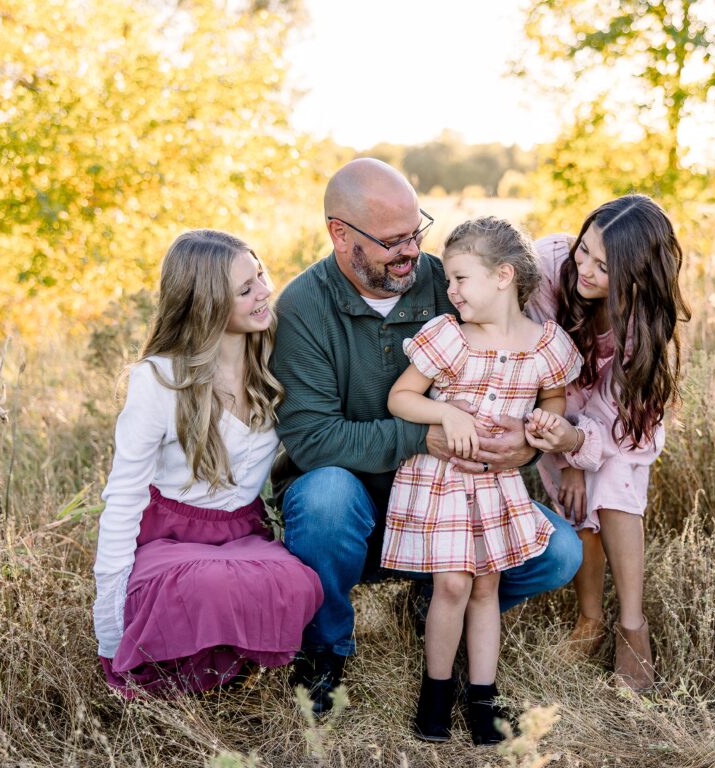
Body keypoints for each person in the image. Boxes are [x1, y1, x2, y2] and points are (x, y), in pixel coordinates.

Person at [270, 159, 583, 714]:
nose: (412, 252)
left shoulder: (451, 281)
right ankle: (325, 651)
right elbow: (313, 440)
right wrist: (425, 435)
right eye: (393, 241)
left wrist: (529, 445)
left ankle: (434, 599)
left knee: (558, 553)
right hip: (355, 508)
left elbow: (522, 382)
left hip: (452, 499)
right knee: (323, 497)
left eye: (417, 233)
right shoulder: (304, 307)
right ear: (341, 235)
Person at [93, 229, 323, 697]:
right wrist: (108, 630)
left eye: (260, 275)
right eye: (246, 289)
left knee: (297, 583)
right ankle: (176, 675)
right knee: (206, 585)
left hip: (242, 533)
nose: (265, 292)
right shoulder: (159, 378)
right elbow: (122, 499)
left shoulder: (275, 362)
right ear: (207, 304)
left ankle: (228, 671)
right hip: (168, 537)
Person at [382, 217, 582, 745]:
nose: (450, 291)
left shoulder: (546, 345)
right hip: (442, 480)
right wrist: (446, 415)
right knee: (453, 583)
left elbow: (554, 399)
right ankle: (436, 693)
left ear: (503, 277)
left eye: (460, 279)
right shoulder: (449, 337)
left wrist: (543, 425)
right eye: (448, 281)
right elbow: (400, 398)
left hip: (496, 484)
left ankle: (483, 697)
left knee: (486, 585)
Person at [524, 195, 691, 691]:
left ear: (638, 277)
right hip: (556, 404)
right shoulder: (550, 264)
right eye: (585, 252)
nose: (586, 271)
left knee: (614, 484)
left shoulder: (639, 326)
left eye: (604, 266)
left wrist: (579, 450)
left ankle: (631, 626)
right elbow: (543, 357)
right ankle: (591, 619)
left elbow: (611, 412)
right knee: (576, 506)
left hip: (617, 420)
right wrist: (569, 452)